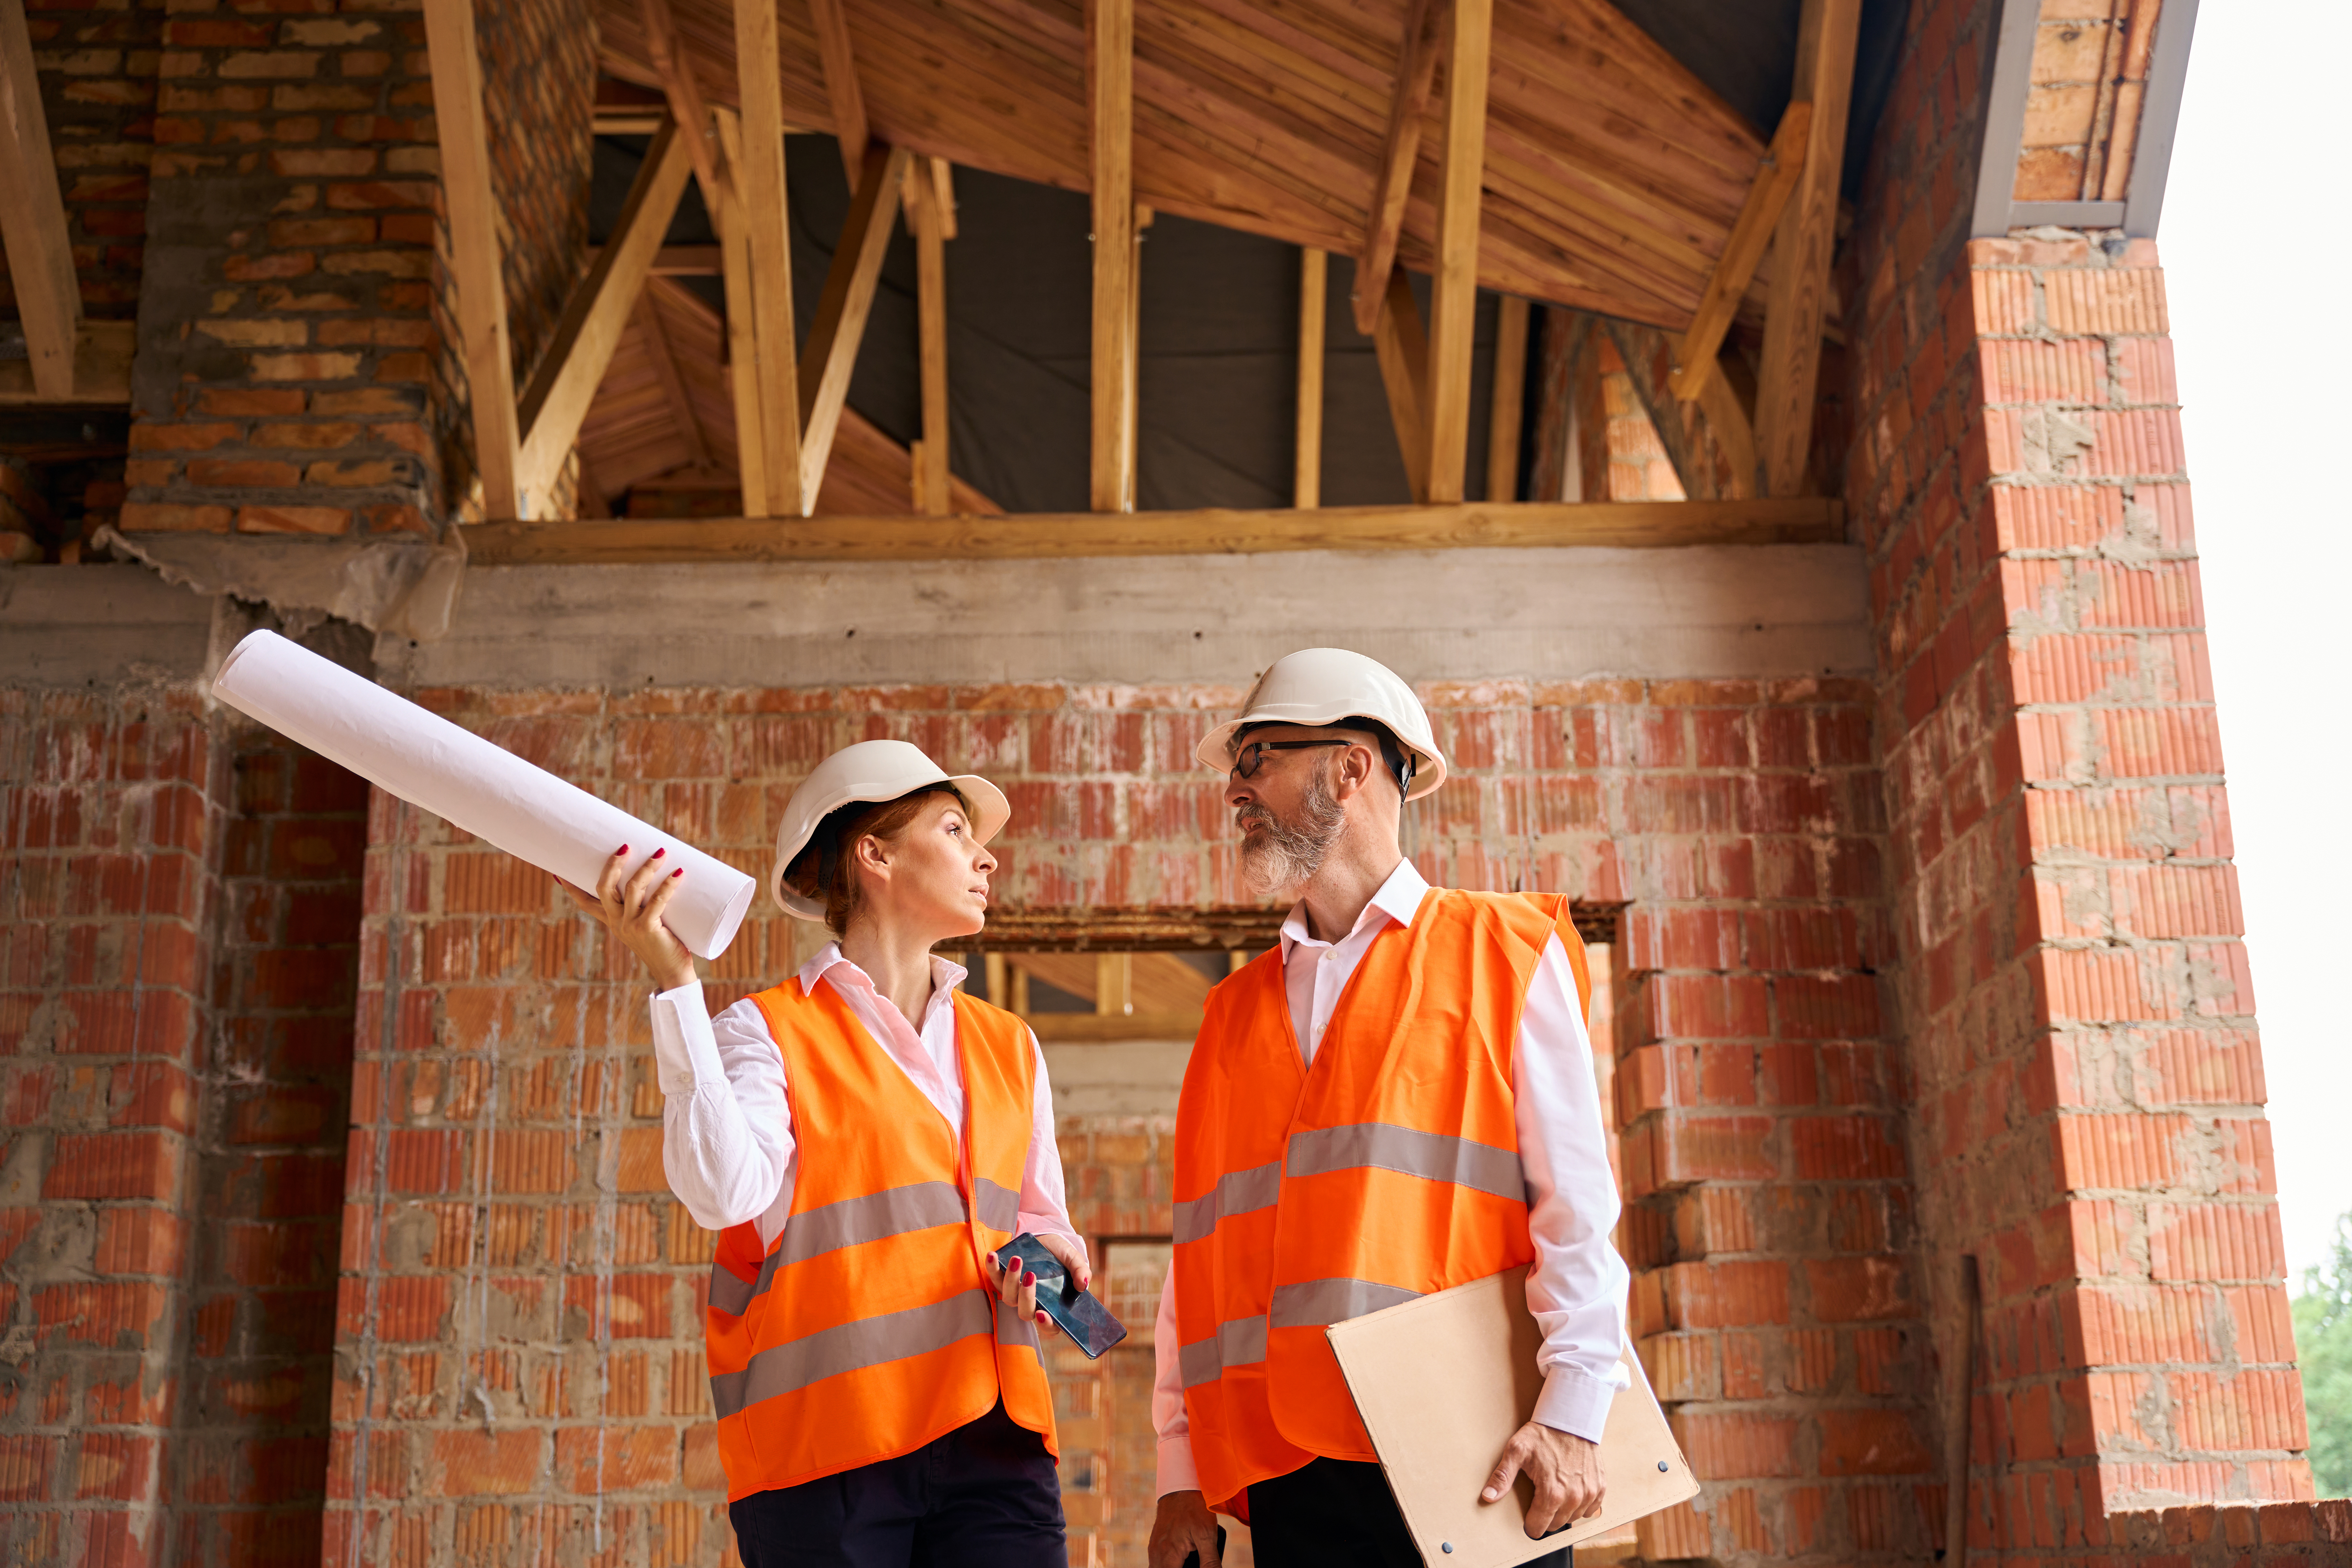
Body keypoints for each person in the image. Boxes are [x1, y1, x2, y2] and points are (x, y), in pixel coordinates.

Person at [1146, 648, 1632, 1568]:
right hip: (1290, 1475)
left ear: (1350, 767)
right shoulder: (1229, 1016)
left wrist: (1575, 1410)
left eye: (1258, 761)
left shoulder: (1505, 951)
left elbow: (1578, 1207)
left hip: (1477, 1451)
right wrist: (1181, 1471)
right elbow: (1198, 1263)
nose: (1234, 793)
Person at [565, 738, 1089, 1568]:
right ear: (873, 853)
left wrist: (1050, 1269)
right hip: (828, 1459)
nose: (986, 857)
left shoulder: (1010, 1046)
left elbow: (1041, 1221)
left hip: (997, 1446)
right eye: (954, 829)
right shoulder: (768, 1032)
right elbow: (722, 1192)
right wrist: (676, 990)